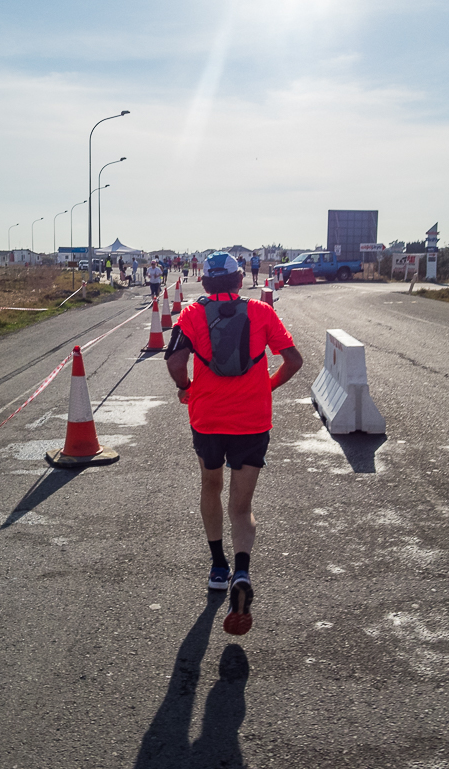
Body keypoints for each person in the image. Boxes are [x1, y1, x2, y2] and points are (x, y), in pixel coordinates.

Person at [164, 252, 303, 635]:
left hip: (208, 421)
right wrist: (267, 387)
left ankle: (217, 567)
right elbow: (294, 360)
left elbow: (175, 363)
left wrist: (186, 389)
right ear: (240, 280)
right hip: (252, 421)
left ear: (206, 283)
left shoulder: (192, 313)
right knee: (242, 506)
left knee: (211, 485)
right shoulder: (261, 312)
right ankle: (242, 571)